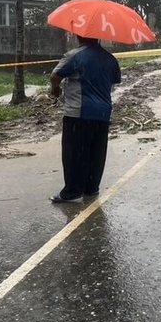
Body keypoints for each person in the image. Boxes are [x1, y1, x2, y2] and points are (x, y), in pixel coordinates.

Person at [50, 35, 121, 203]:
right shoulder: (110, 58)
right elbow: (115, 79)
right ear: (98, 37)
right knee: (96, 151)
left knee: (73, 153)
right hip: (103, 112)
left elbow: (55, 76)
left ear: (78, 36)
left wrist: (55, 89)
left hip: (78, 112)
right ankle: (91, 188)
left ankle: (72, 191)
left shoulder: (74, 55)